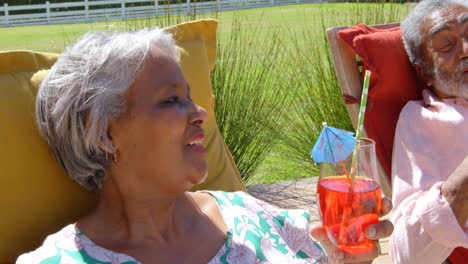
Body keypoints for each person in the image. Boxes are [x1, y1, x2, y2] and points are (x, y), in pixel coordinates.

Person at [16, 28, 393, 264]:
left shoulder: (251, 216)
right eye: (169, 100)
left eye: (191, 97)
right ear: (102, 132)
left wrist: (348, 259)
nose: (199, 113)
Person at [391, 0, 468, 263]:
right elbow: (408, 254)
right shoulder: (420, 121)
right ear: (424, 71)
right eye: (447, 45)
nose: (466, 49)